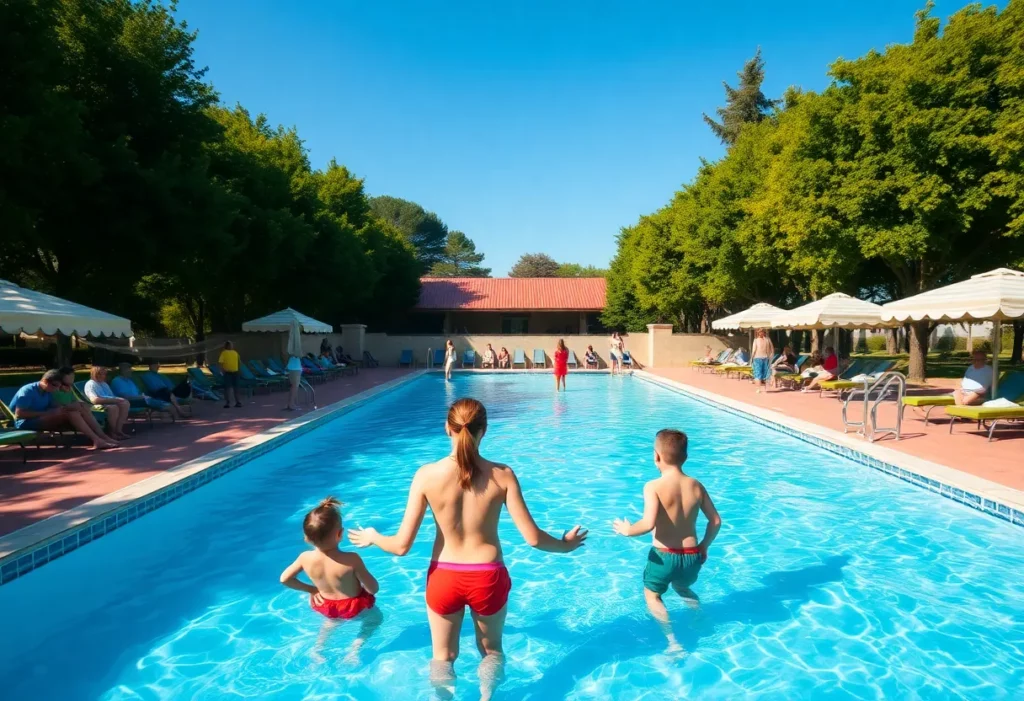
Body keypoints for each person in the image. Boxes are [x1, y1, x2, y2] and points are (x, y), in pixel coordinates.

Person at [349, 399, 587, 700]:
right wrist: (566, 547)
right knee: (491, 651)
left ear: (447, 428)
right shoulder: (502, 474)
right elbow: (534, 539)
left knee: (443, 657)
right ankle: (487, 697)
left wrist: (373, 536)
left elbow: (401, 547)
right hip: (487, 576)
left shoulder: (426, 475)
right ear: (484, 430)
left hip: (444, 577)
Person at [613, 429, 721, 655]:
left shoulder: (653, 486)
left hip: (664, 556)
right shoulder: (696, 485)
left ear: (656, 457)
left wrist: (626, 530)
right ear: (686, 457)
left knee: (653, 595)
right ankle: (698, 617)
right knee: (683, 587)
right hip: (693, 555)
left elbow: (648, 523)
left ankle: (673, 642)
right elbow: (716, 521)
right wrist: (704, 545)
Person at [280, 497, 382, 662]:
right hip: (354, 606)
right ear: (340, 534)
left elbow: (284, 579)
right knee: (376, 620)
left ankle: (318, 650)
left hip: (327, 605)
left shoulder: (304, 558)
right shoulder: (352, 559)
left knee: (331, 624)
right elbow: (373, 589)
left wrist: (312, 590)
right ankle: (354, 649)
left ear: (306, 537)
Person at [9, 369, 118, 449]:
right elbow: (19, 414)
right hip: (26, 422)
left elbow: (56, 406)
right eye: (55, 386)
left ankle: (103, 436)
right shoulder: (27, 391)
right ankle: (97, 440)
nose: (57, 389)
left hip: (43, 417)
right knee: (72, 414)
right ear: (45, 381)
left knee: (80, 408)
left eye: (59, 386)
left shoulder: (48, 391)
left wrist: (72, 406)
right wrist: (46, 413)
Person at [111, 362, 184, 420]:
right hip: (130, 402)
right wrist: (141, 397)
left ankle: (173, 416)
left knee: (166, 404)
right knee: (166, 405)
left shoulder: (130, 381)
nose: (131, 372)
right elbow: (124, 396)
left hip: (139, 399)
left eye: (131, 370)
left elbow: (138, 392)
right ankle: (175, 419)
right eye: (129, 370)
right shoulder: (117, 381)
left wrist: (142, 396)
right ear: (123, 371)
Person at [83, 366, 131, 439]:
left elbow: (110, 396)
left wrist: (117, 400)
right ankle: (112, 432)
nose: (102, 376)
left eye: (104, 374)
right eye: (100, 374)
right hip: (96, 405)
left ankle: (118, 430)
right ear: (94, 374)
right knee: (113, 407)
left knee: (125, 403)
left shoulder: (104, 384)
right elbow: (94, 400)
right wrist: (114, 400)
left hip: (108, 402)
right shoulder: (90, 384)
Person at [218, 341, 243, 409]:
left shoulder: (234, 353)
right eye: (231, 345)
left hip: (233, 372)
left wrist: (239, 369)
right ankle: (231, 402)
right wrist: (222, 370)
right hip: (230, 372)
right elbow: (221, 363)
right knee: (231, 388)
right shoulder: (226, 353)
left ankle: (235, 402)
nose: (231, 346)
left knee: (233, 388)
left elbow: (239, 362)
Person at [750, 329, 774, 393]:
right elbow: (770, 349)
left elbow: (754, 350)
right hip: (763, 358)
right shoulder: (766, 340)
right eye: (761, 332)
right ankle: (761, 388)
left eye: (761, 332)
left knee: (758, 374)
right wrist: (769, 357)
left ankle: (758, 389)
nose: (761, 333)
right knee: (763, 373)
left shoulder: (756, 340)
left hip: (758, 358)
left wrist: (751, 359)